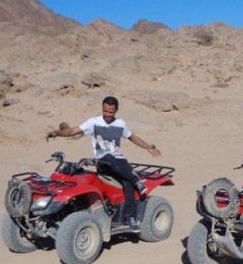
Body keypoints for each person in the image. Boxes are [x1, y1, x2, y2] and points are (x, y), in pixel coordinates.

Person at [46, 96, 161, 230]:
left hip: (119, 163)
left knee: (127, 182)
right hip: (103, 162)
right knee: (108, 156)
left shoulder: (120, 124)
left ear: (116, 111)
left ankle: (130, 218)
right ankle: (136, 180)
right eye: (105, 111)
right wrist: (57, 133)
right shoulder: (94, 122)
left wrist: (148, 147)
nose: (107, 115)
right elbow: (72, 131)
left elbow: (132, 137)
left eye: (110, 112)